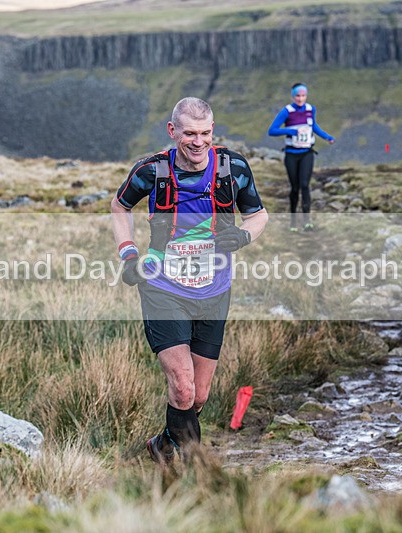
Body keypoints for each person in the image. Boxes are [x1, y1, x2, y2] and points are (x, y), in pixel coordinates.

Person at [111, 97, 268, 465]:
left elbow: (259, 215)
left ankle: (163, 446)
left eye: (206, 133)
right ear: (172, 131)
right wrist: (129, 252)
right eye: (189, 133)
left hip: (215, 291)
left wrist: (244, 236)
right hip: (163, 287)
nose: (198, 142)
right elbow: (120, 207)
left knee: (198, 396)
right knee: (182, 387)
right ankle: (196, 473)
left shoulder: (233, 169)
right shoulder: (152, 172)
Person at [268, 82, 335, 231]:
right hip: (291, 154)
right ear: (293, 96)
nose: (300, 98)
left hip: (307, 153)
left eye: (303, 95)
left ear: (306, 96)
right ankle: (293, 222)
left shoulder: (311, 109)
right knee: (295, 187)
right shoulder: (287, 111)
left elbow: (314, 127)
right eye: (297, 96)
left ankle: (307, 221)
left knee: (305, 185)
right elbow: (272, 130)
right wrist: (290, 131)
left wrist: (327, 137)